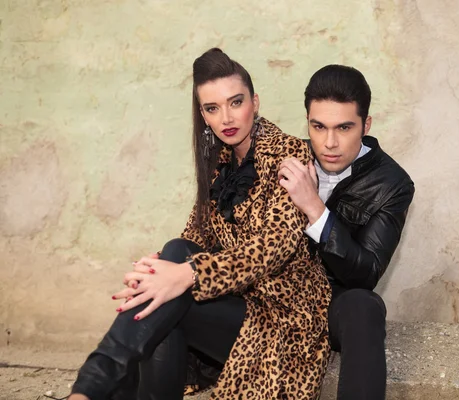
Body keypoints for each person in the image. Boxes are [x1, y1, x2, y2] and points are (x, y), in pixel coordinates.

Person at [69, 48, 331, 400]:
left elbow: (274, 248)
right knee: (169, 269)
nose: (226, 117)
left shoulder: (290, 154)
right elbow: (193, 237)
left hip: (284, 321)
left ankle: (89, 389)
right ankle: (91, 389)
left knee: (172, 293)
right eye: (212, 108)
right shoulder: (219, 162)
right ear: (203, 116)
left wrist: (189, 274)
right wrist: (160, 267)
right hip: (236, 305)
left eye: (235, 102)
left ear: (254, 102)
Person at [278, 65, 415, 400]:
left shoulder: (392, 184)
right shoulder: (287, 157)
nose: (330, 142)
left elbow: (365, 273)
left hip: (334, 307)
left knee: (365, 306)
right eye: (318, 126)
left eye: (344, 127)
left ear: (366, 125)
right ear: (308, 121)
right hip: (274, 305)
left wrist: (315, 208)